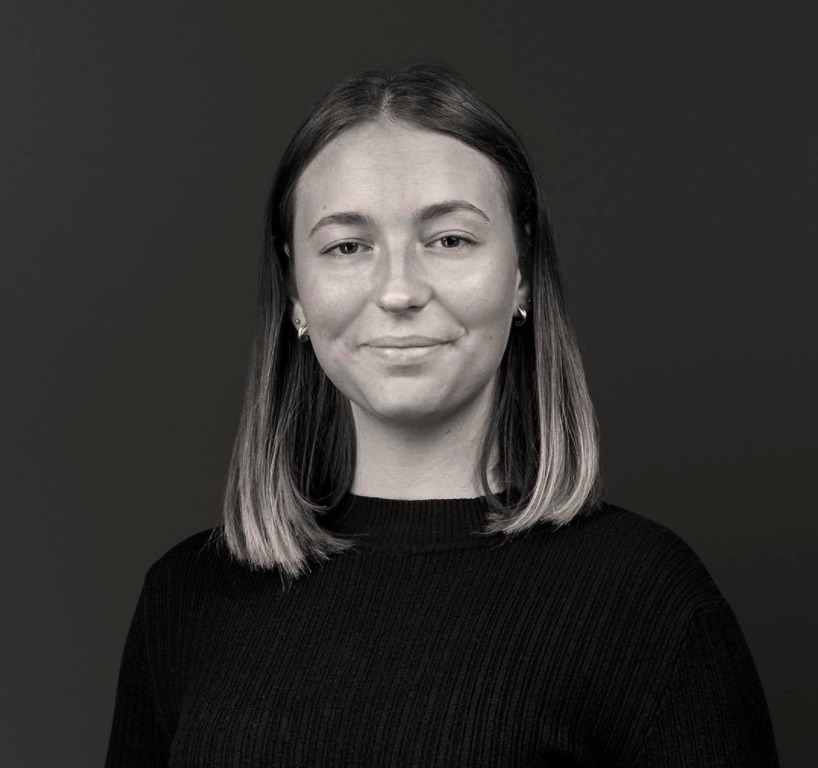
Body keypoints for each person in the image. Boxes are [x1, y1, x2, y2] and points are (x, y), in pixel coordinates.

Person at [104, 61, 780, 766]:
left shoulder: (647, 602)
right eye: (346, 246)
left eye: (450, 239)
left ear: (522, 274)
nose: (399, 291)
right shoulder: (188, 597)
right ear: (296, 289)